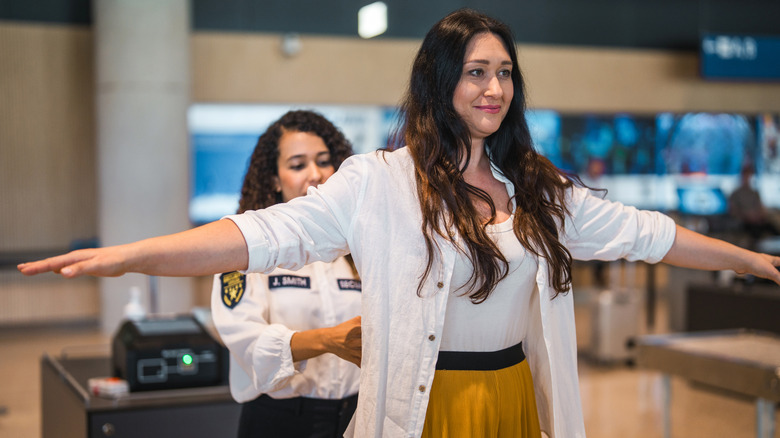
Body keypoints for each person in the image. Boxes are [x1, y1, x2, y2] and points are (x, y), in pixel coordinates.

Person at [18, 9, 780, 438]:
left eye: (505, 71)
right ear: (441, 81)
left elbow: (645, 233)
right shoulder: (379, 183)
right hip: (423, 406)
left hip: (515, 399)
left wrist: (753, 264)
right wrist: (127, 257)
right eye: (477, 71)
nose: (494, 87)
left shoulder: (537, 189)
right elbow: (259, 236)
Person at [211, 110, 362, 437]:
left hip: (358, 418)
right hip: (282, 421)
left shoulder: (362, 247)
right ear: (274, 179)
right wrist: (326, 340)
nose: (316, 175)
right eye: (298, 165)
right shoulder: (246, 254)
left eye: (324, 161)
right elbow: (247, 341)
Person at [729, 163, 779, 247]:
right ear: (741, 176)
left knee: (773, 228)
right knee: (754, 232)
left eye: (749, 175)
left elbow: (761, 208)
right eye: (746, 175)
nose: (748, 178)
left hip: (758, 220)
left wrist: (759, 216)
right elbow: (733, 211)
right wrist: (748, 216)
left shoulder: (755, 193)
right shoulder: (735, 194)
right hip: (745, 222)